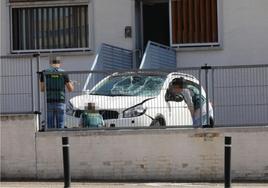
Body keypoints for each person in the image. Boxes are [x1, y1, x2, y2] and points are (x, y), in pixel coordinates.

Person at [40, 56, 74, 129]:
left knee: (49, 126)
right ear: (60, 63)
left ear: (50, 63)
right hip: (60, 101)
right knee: (60, 125)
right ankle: (60, 139)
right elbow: (70, 89)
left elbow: (42, 89)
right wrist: (71, 83)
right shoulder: (64, 73)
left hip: (49, 101)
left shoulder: (44, 72)